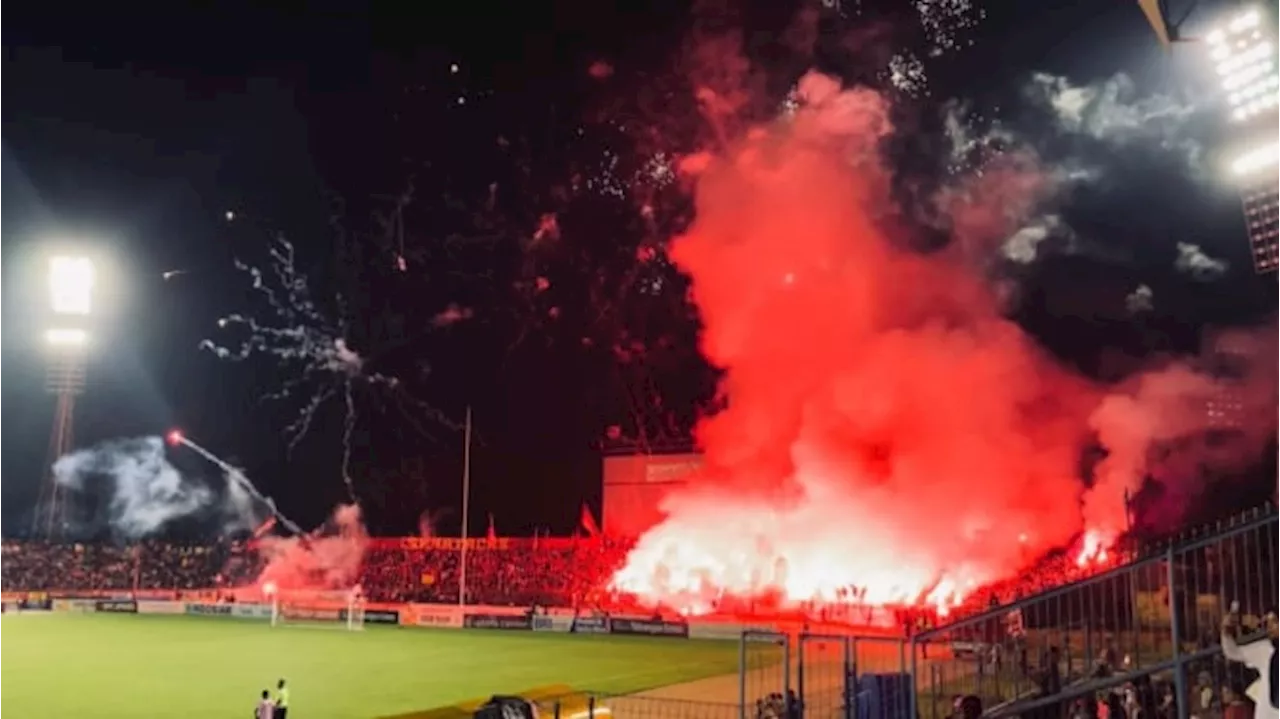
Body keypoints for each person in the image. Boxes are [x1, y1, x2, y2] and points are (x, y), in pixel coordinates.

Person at [1221, 609, 1280, 719]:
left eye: (1275, 621)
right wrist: (1226, 631)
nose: (1270, 627)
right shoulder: (1265, 650)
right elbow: (1232, 652)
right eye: (1268, 623)